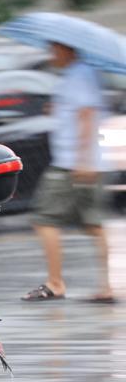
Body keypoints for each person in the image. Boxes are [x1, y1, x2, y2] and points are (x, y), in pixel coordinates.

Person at [22, 42, 114, 303]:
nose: (51, 54)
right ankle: (107, 286)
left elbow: (86, 115)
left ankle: (56, 283)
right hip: (80, 161)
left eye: (55, 49)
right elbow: (78, 111)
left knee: (44, 217)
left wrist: (83, 161)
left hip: (72, 163)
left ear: (68, 49)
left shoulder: (80, 75)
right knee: (93, 224)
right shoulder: (77, 74)